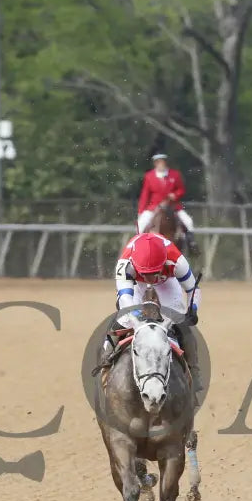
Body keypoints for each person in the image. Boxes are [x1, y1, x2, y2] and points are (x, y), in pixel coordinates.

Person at [103, 231, 203, 399]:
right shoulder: (125, 263)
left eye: (153, 272)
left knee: (179, 324)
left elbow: (193, 289)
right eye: (146, 273)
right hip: (136, 284)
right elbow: (125, 299)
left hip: (167, 283)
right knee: (124, 319)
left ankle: (194, 370)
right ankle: (105, 365)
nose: (149, 279)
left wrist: (192, 309)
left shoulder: (176, 260)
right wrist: (137, 319)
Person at [137, 152, 198, 255]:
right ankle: (139, 246)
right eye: (159, 163)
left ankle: (191, 244)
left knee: (188, 221)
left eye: (163, 162)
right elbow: (145, 195)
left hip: (173, 206)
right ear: (155, 164)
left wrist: (175, 195)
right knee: (141, 222)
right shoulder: (149, 176)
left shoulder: (175, 175)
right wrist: (141, 210)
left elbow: (181, 189)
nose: (161, 164)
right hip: (155, 206)